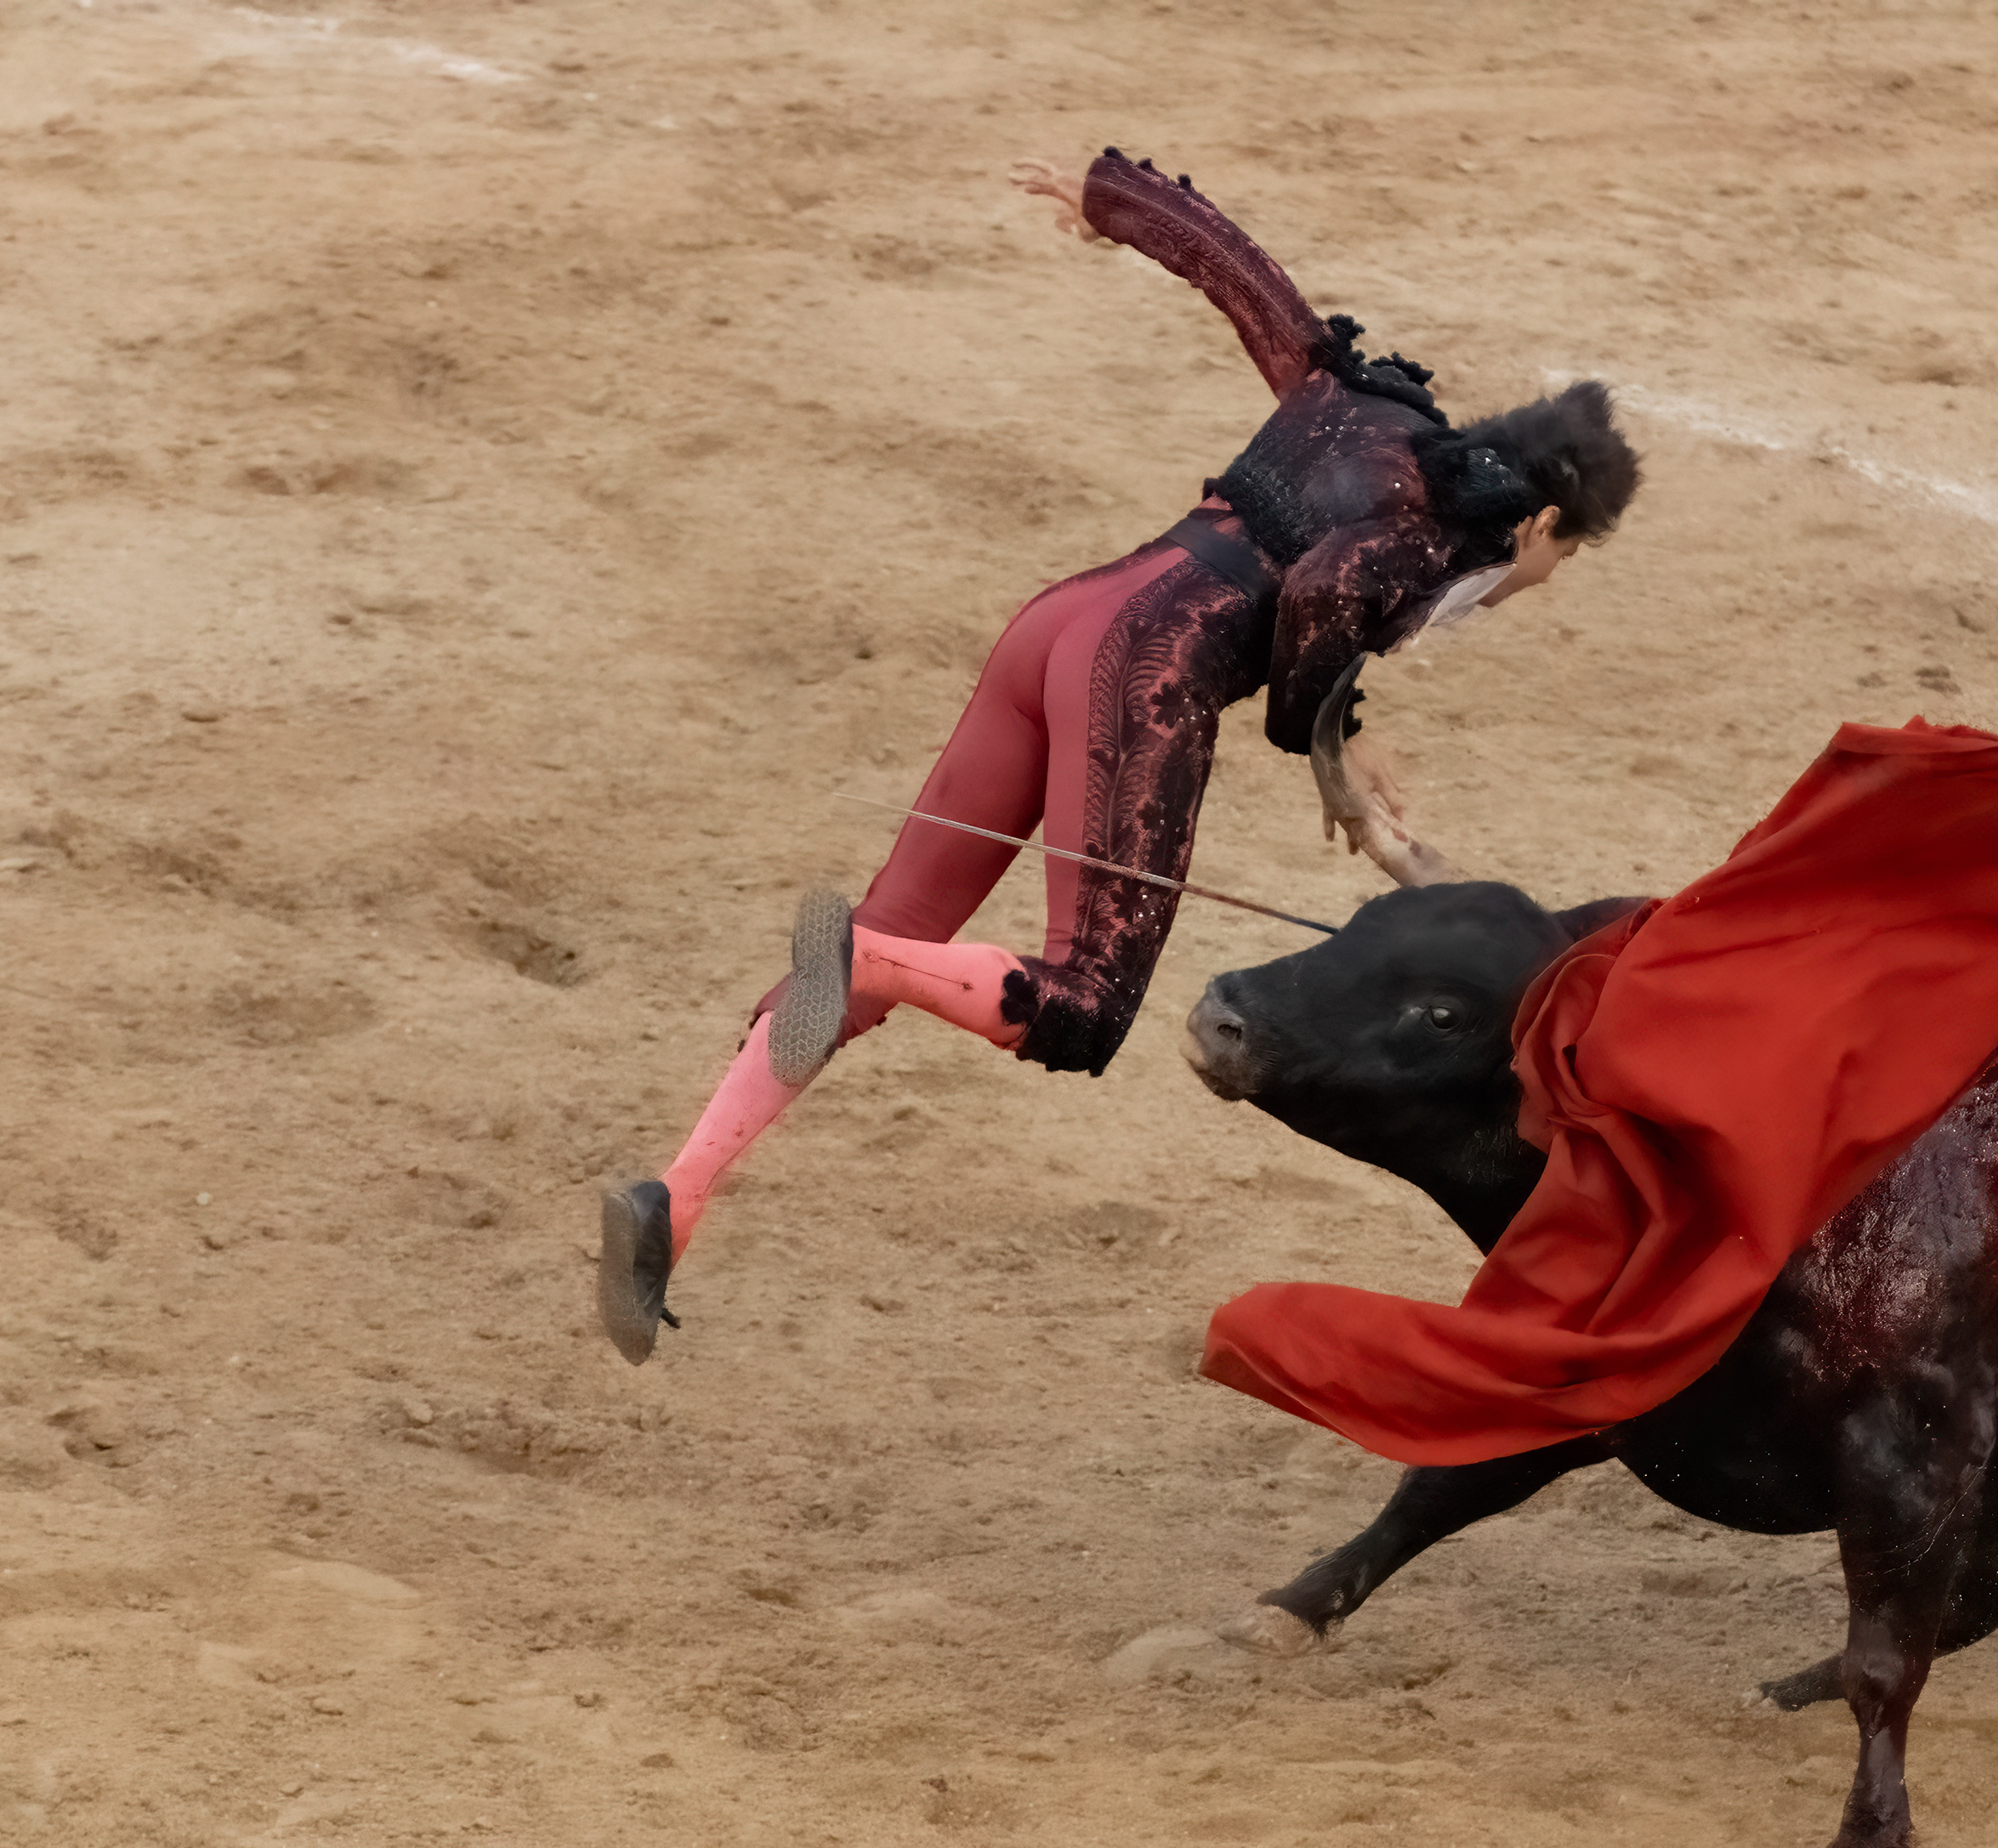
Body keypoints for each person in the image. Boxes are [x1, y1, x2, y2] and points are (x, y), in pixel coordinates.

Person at [598, 148, 1643, 1363]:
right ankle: (866, 956)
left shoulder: (1373, 408)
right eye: (1565, 558)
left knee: (904, 928)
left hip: (1057, 627)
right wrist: (1326, 745)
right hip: (1138, 674)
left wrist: (1111, 201)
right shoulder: (1431, 540)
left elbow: (1254, 290)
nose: (1546, 579)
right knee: (1083, 1005)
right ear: (1546, 522)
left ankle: (676, 1198)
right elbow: (1322, 591)